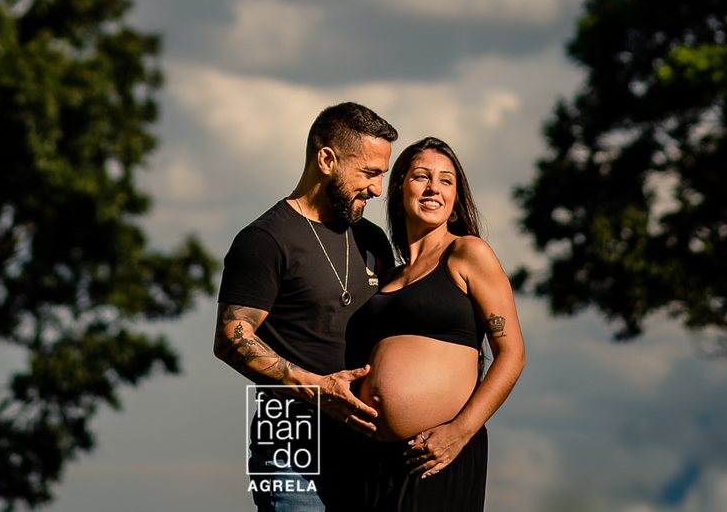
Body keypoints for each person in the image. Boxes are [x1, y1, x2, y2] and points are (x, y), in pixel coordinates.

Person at [214, 102, 399, 511]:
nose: (377, 189)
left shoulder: (372, 239)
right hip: (290, 454)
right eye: (369, 173)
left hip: (367, 452)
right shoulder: (264, 239)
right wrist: (320, 388)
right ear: (327, 159)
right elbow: (230, 337)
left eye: (382, 175)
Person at [341, 137, 525, 510]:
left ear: (456, 199)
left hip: (437, 456)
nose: (433, 188)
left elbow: (512, 354)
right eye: (421, 177)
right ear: (399, 188)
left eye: (446, 181)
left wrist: (459, 433)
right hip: (373, 463)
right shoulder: (387, 275)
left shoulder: (468, 253)